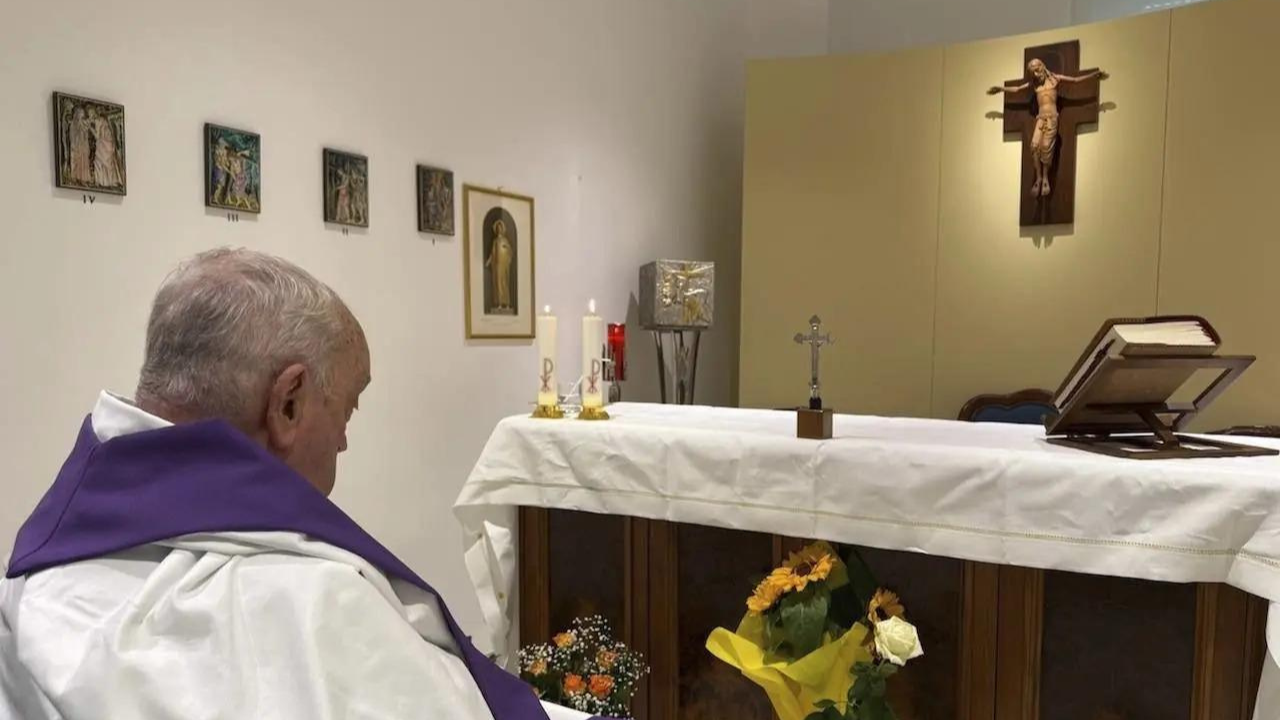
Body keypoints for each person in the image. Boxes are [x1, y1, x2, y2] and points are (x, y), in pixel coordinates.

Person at [0, 248, 590, 720]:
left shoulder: (30, 591)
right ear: (287, 403)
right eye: (347, 411)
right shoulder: (318, 607)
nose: (343, 442)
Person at [988, 58, 1107, 197]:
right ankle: (1038, 178)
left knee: (1045, 147)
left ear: (1042, 67)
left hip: (1052, 118)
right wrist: (1001, 89)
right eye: (1033, 73)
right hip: (1040, 118)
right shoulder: (1034, 84)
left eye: (1037, 70)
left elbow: (1075, 80)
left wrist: (1093, 76)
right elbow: (1017, 89)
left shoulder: (1055, 79)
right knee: (1034, 146)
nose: (1036, 75)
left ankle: (1045, 178)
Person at [486, 219, 514, 312]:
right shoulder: (495, 241)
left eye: (500, 228)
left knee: (504, 283)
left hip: (504, 265)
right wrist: (489, 261)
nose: (498, 230)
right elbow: (492, 254)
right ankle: (499, 303)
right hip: (497, 265)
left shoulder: (505, 241)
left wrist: (507, 249)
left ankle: (506, 303)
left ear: (502, 229)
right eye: (497, 228)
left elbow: (510, 252)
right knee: (497, 284)